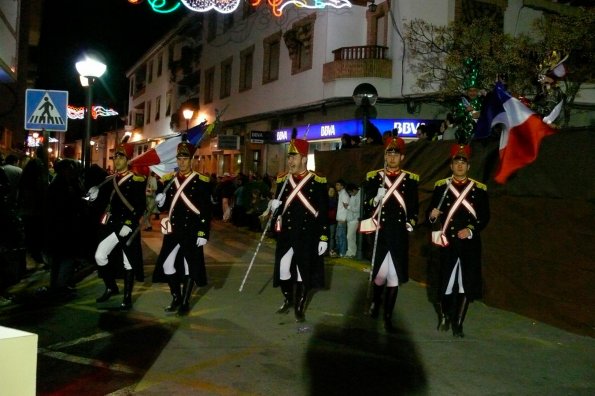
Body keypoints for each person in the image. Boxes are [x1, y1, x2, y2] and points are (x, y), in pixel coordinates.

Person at [428, 144, 490, 338]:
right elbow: (430, 214)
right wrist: (432, 215)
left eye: (463, 162)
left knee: (465, 284)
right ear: (451, 165)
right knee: (445, 282)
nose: (460, 166)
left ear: (469, 166)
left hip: (468, 244)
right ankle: (446, 315)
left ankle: (459, 323)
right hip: (448, 242)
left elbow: (485, 216)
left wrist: (471, 230)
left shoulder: (479, 189)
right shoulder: (441, 186)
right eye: (457, 162)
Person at [363, 137, 419, 332]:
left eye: (395, 154)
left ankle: (388, 317)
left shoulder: (410, 180)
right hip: (380, 231)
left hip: (398, 234)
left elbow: (413, 208)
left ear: (402, 156)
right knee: (379, 276)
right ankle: (375, 302)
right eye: (389, 153)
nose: (392, 157)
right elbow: (366, 204)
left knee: (393, 277)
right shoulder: (374, 177)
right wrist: (374, 200)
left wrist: (410, 223)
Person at [270, 136, 328, 322]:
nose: (290, 161)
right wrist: (274, 206)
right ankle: (288, 298)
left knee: (304, 271)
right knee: (283, 270)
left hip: (307, 234)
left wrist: (324, 237)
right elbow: (281, 208)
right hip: (287, 233)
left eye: (294, 157)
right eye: (289, 157)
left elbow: (323, 211)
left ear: (304, 158)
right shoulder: (283, 180)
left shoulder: (317, 181)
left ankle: (300, 306)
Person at [153, 138, 212, 315]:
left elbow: (205, 210)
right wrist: (160, 202)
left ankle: (184, 302)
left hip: (192, 230)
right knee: (166, 265)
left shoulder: (201, 181)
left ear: (192, 160)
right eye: (179, 158)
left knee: (190, 266)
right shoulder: (170, 180)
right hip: (173, 229)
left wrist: (203, 232)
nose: (182, 162)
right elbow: (166, 206)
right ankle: (176, 297)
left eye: (185, 158)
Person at [87, 141, 146, 309]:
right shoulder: (109, 180)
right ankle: (111, 287)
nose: (117, 160)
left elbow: (140, 205)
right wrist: (92, 197)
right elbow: (104, 202)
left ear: (127, 160)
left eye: (121, 157)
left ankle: (127, 297)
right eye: (115, 157)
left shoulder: (137, 180)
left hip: (127, 225)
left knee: (129, 262)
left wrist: (130, 222)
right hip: (112, 225)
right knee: (100, 255)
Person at [45, 158, 84, 298]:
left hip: (59, 227)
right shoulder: (63, 185)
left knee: (58, 258)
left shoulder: (59, 183)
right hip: (64, 227)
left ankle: (56, 285)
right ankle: (61, 286)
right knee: (65, 257)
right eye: (71, 169)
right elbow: (71, 205)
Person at [345, 183, 361, 258]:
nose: (350, 194)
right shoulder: (354, 195)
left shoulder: (359, 195)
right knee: (351, 236)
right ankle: (352, 252)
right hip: (350, 219)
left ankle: (351, 252)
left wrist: (348, 207)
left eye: (350, 192)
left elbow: (358, 209)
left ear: (354, 190)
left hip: (355, 219)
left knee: (350, 236)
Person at [335, 179, 349, 257]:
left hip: (342, 219)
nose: (336, 186)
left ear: (342, 186)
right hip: (340, 218)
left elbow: (346, 206)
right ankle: (340, 252)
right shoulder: (341, 194)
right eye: (336, 185)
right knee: (339, 236)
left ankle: (342, 252)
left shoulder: (344, 194)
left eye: (338, 185)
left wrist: (344, 219)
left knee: (341, 236)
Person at [327, 185, 338, 257]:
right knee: (325, 236)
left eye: (332, 191)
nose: (331, 192)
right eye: (330, 191)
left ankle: (330, 250)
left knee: (331, 236)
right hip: (325, 221)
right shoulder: (324, 199)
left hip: (332, 221)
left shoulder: (336, 200)